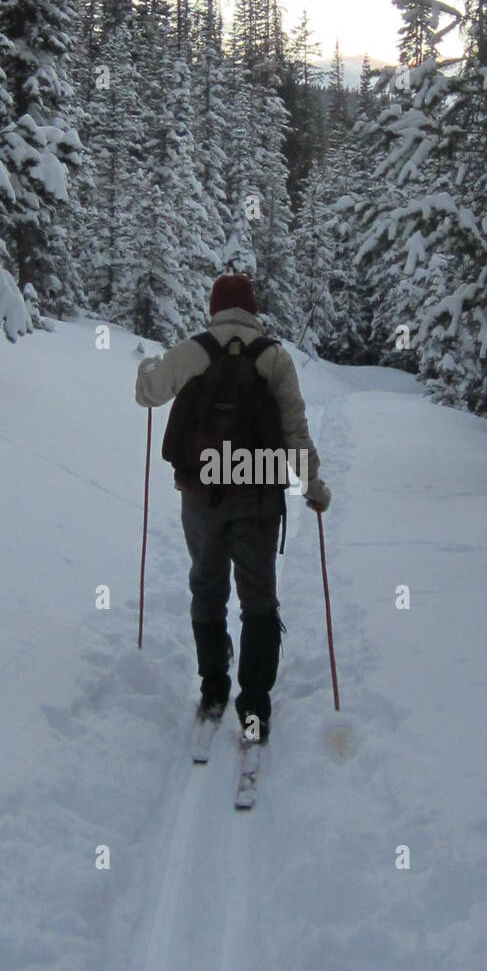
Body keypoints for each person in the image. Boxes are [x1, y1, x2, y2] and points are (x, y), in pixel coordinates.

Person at [135, 273, 330, 740]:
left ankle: (213, 687)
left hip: (201, 493)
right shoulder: (274, 357)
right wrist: (312, 483)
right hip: (258, 492)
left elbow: (149, 393)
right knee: (258, 597)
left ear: (214, 307)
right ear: (252, 307)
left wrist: (146, 369)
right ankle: (255, 705)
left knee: (207, 588)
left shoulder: (195, 349)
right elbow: (294, 430)